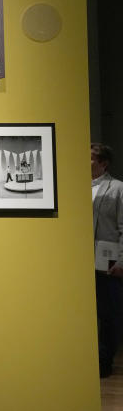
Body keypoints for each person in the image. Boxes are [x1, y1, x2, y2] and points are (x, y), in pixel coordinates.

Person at [93, 143, 123, 377]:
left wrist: (120, 262)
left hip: (107, 261)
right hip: (79, 263)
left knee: (107, 313)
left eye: (92, 158)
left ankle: (104, 362)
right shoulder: (72, 186)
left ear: (104, 163)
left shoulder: (117, 189)